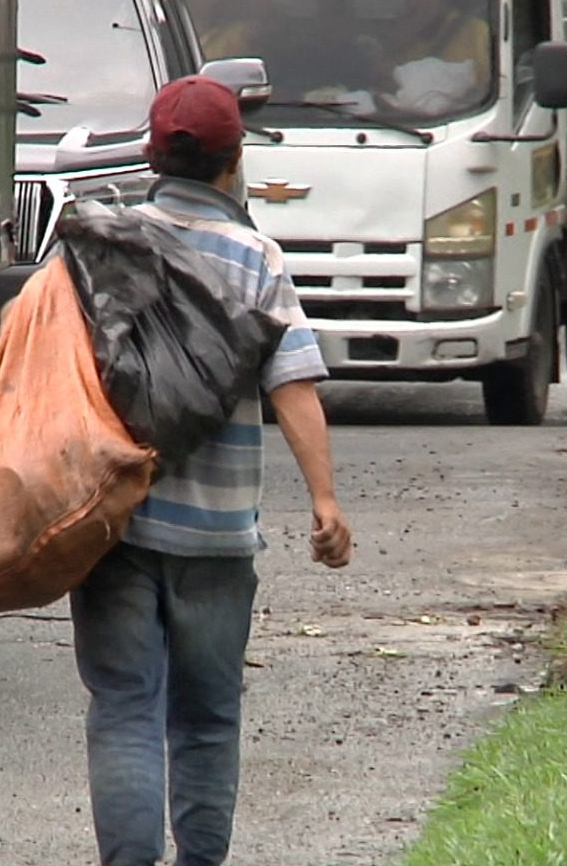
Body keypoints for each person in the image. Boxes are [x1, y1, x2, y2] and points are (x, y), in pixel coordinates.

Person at [69, 75, 353, 866]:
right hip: (220, 538)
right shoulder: (256, 257)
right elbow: (292, 388)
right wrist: (324, 500)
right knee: (206, 718)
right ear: (236, 163)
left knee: (125, 708)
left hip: (118, 524)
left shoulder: (107, 247)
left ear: (153, 157)